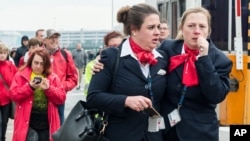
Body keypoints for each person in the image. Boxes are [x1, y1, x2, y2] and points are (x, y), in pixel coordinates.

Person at [87, 3, 167, 141]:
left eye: (158, 27)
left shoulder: (163, 58)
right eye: (151, 27)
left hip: (154, 136)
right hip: (120, 135)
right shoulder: (112, 57)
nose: (157, 32)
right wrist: (126, 101)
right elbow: (93, 98)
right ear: (134, 29)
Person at [159, 7, 232, 141]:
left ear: (208, 30)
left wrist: (204, 58)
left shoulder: (221, 59)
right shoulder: (168, 48)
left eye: (202, 26)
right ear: (181, 28)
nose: (197, 31)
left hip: (199, 132)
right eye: (191, 26)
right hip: (166, 129)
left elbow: (216, 96)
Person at [9, 48, 66, 141]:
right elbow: (13, 95)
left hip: (47, 122)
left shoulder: (53, 77)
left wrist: (49, 89)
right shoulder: (21, 75)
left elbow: (61, 98)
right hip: (27, 122)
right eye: (36, 63)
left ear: (46, 64)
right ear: (31, 62)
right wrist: (29, 87)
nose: (38, 66)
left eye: (42, 63)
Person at [43, 29, 78, 125]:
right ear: (44, 40)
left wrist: (61, 87)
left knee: (58, 128)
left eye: (56, 37)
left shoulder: (65, 54)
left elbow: (73, 78)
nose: (54, 40)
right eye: (51, 38)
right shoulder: (38, 54)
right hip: (41, 97)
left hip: (58, 98)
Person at [84, 30, 124, 95]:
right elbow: (89, 92)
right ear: (106, 47)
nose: (117, 49)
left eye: (119, 45)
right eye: (112, 47)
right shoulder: (94, 65)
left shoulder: (131, 61)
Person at [0, 42, 17, 141]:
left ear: (7, 54)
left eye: (4, 52)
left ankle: (3, 138)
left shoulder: (10, 66)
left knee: (4, 122)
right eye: (0, 52)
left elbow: (17, 79)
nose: (2, 55)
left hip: (7, 99)